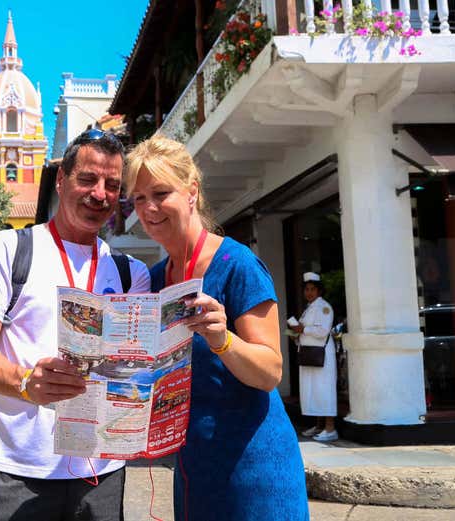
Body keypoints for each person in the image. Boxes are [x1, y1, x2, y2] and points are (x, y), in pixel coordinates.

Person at [0, 129, 150, 521]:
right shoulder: (9, 250)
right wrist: (25, 382)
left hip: (102, 469)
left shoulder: (133, 274)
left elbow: (137, 365)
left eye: (112, 185)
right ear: (61, 180)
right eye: (88, 179)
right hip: (20, 469)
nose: (100, 193)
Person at [125, 135, 308, 520]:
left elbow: (270, 371)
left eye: (161, 192)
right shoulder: (155, 279)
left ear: (191, 192)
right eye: (139, 198)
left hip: (253, 465)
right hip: (193, 465)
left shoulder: (238, 264)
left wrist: (223, 340)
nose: (149, 208)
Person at [293, 272, 338, 441]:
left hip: (322, 355)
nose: (309, 292)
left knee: (324, 389)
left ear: (319, 291)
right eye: (306, 289)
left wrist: (302, 330)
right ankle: (319, 426)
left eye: (312, 289)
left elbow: (322, 331)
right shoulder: (309, 309)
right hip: (309, 353)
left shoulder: (324, 308)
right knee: (313, 390)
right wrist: (296, 334)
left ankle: (330, 428)